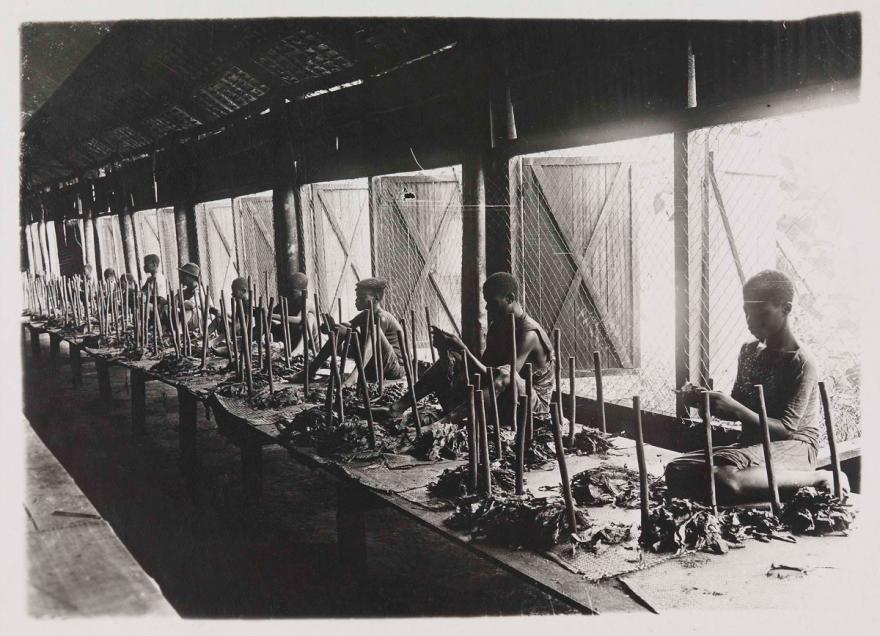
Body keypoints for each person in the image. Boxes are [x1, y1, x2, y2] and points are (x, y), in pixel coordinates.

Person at [665, 270, 847, 504]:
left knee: (721, 478)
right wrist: (707, 403)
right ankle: (761, 489)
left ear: (786, 309)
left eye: (761, 313)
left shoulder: (800, 362)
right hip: (752, 444)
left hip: (794, 447)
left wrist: (736, 409)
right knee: (676, 469)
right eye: (746, 312)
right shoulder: (749, 352)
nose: (750, 322)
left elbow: (785, 429)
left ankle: (819, 479)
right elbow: (736, 409)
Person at [376, 272, 555, 427]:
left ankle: (446, 423)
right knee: (449, 361)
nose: (486, 308)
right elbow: (484, 372)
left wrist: (463, 349)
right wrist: (448, 351)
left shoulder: (529, 333)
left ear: (510, 298)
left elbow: (504, 379)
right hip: (503, 398)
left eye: (492, 302)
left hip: (531, 407)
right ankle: (396, 408)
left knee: (508, 375)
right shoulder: (497, 326)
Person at [292, 277, 405, 385]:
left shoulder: (382, 317)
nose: (357, 300)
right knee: (341, 329)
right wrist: (331, 327)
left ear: (375, 299)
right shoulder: (364, 315)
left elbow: (373, 342)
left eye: (361, 297)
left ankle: (355, 376)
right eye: (357, 297)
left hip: (394, 368)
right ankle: (311, 370)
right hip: (376, 366)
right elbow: (346, 328)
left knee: (375, 330)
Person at [269, 271, 319, 354]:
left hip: (313, 345)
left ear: (304, 292)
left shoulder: (307, 303)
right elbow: (271, 316)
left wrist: (271, 315)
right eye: (288, 291)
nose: (290, 295)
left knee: (309, 317)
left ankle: (298, 351)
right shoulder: (289, 302)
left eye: (293, 292)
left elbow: (299, 320)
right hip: (292, 342)